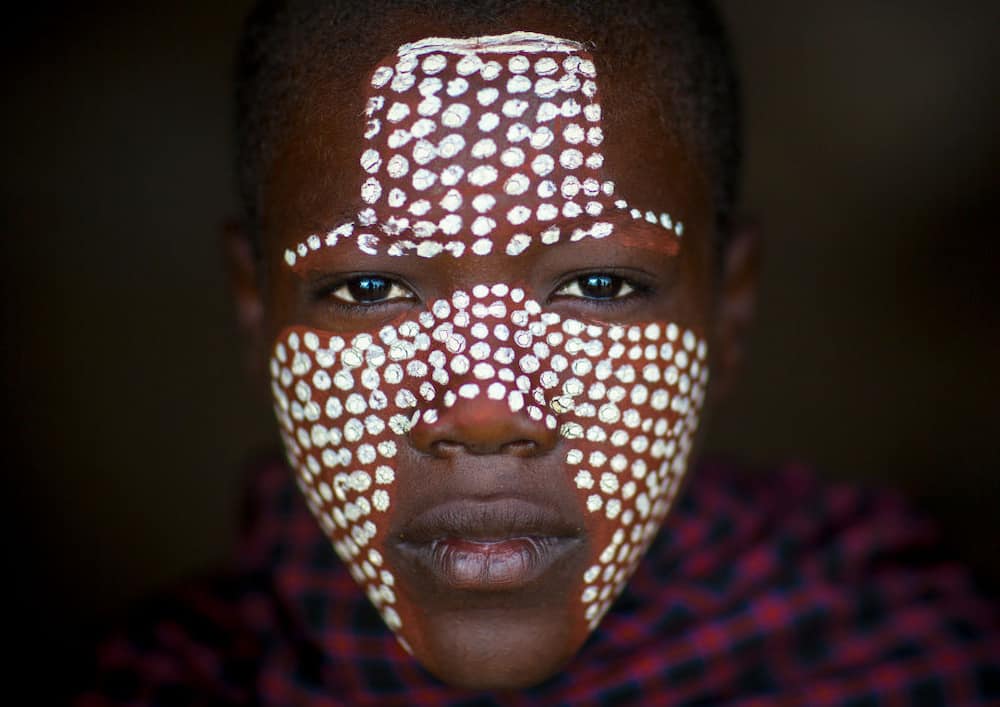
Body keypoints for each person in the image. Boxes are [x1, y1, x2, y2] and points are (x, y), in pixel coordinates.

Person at [73, 0, 1000, 704]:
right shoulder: (156, 682)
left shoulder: (906, 659)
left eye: (599, 286)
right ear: (256, 311)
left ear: (728, 309)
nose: (484, 408)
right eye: (368, 288)